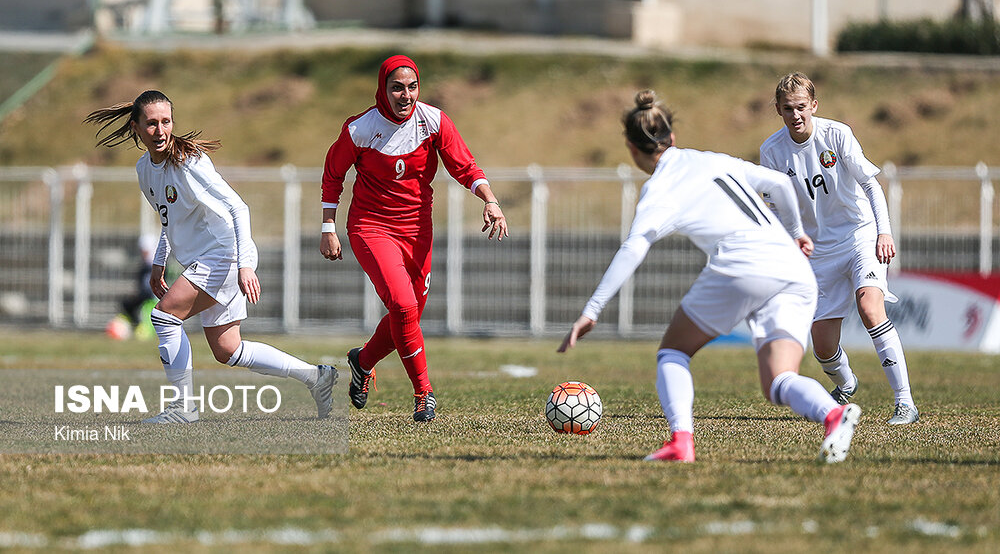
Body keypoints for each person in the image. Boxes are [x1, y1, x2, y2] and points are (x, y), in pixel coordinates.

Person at [559, 90, 860, 464]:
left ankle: (680, 443)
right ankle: (833, 415)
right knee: (778, 381)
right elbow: (781, 185)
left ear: (632, 149)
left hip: (742, 265)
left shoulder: (660, 187)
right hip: (792, 267)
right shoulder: (712, 159)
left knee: (673, 351)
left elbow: (634, 246)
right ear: (672, 137)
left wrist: (592, 310)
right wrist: (797, 233)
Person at [85, 90, 337, 423]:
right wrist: (159, 263)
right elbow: (169, 220)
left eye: (166, 122)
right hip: (209, 259)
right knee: (228, 349)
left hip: (225, 255)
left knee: (164, 317)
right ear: (136, 127)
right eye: (151, 123)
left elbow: (238, 207)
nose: (160, 130)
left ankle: (183, 408)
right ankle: (316, 377)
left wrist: (244, 266)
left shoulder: (189, 162)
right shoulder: (144, 169)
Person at [321, 54, 508, 422]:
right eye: (396, 88)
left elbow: (465, 166)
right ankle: (424, 393)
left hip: (418, 231)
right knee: (404, 307)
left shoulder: (433, 121)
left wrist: (490, 200)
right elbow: (333, 174)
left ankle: (362, 361)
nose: (405, 95)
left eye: (412, 87)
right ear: (382, 89)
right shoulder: (360, 128)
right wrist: (329, 228)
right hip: (371, 227)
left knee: (407, 316)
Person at [759, 72, 918, 425]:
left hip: (859, 235)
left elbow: (871, 185)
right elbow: (776, 208)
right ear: (778, 110)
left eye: (801, 107)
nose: (796, 114)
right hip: (817, 252)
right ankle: (846, 384)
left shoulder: (837, 135)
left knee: (870, 307)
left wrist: (884, 232)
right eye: (788, 108)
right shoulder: (771, 151)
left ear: (814, 105)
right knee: (823, 345)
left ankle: (905, 402)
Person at [120, 234, 157, 340]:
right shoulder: (144, 268)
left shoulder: (157, 267)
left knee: (145, 307)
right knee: (127, 304)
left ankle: (144, 327)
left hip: (153, 299)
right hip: (145, 296)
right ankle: (133, 325)